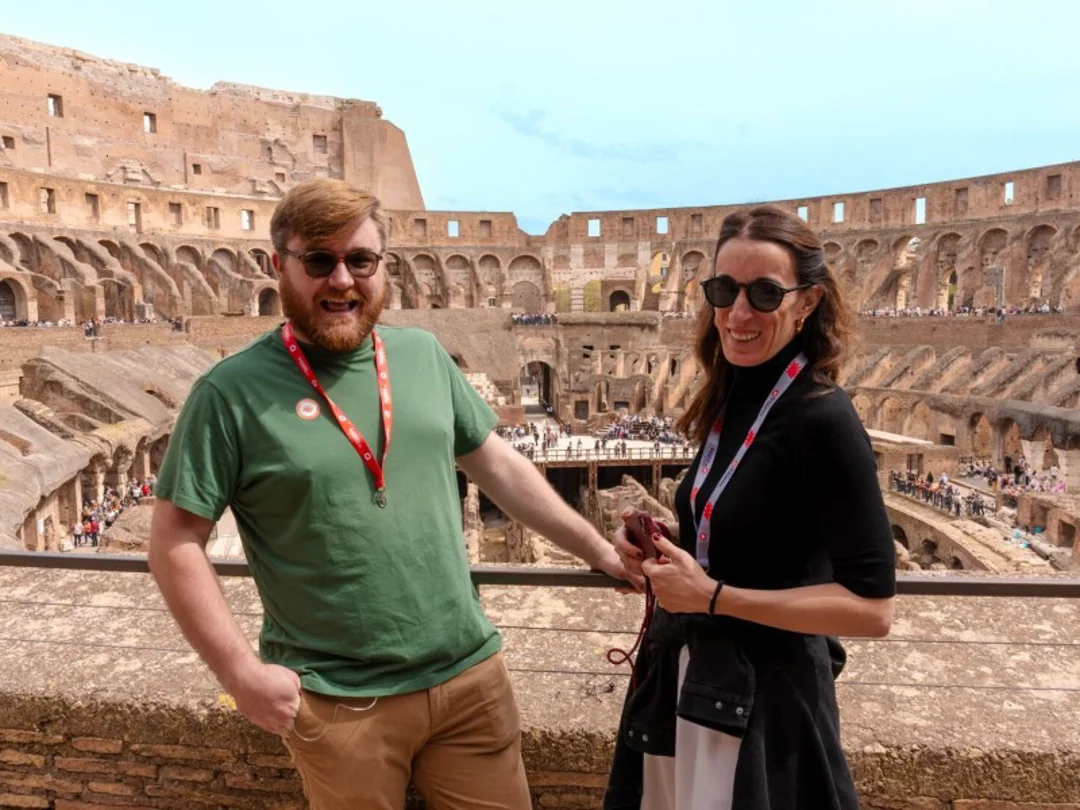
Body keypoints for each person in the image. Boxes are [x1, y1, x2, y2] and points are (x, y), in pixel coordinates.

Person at [149, 179, 626, 810]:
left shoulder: (422, 354)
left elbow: (498, 466)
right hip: (340, 701)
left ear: (384, 268)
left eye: (360, 261)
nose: (342, 280)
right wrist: (238, 673)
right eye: (319, 261)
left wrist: (600, 549)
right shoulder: (228, 393)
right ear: (279, 267)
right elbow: (175, 540)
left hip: (468, 679)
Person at [604, 206, 896, 810]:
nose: (738, 313)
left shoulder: (824, 418)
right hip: (699, 681)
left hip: (769, 700)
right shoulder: (734, 389)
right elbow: (744, 533)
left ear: (808, 302)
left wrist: (710, 596)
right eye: (724, 290)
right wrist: (660, 545)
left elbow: (872, 610)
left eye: (764, 293)